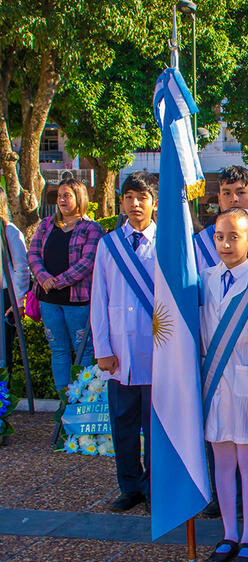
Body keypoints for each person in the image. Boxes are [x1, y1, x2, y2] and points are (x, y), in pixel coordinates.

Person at [194, 165, 248, 519]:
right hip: (215, 387)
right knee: (222, 464)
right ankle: (230, 533)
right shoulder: (204, 280)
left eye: (234, 237)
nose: (226, 244)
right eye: (219, 237)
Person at [90, 171, 159, 513]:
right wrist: (102, 348)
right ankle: (130, 485)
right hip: (119, 353)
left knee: (155, 427)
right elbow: (98, 300)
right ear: (121, 202)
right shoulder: (108, 245)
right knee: (124, 424)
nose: (135, 204)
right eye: (129, 197)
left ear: (154, 203)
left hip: (155, 353)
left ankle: (154, 487)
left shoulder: (167, 244)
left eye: (142, 198)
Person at [27, 175, 104, 391]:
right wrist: (43, 279)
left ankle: (81, 398)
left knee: (84, 350)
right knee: (58, 349)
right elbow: (33, 254)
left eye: (67, 196)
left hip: (77, 301)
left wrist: (58, 281)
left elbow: (87, 262)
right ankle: (63, 400)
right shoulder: (46, 226)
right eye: (59, 196)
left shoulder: (92, 228)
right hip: (49, 299)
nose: (61, 200)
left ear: (79, 198)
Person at [194, 165, 248, 272]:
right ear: (219, 199)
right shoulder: (202, 242)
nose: (234, 199)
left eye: (240, 193)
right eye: (227, 193)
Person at [0, 188, 29, 371]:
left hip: (4, 298)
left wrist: (18, 301)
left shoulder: (9, 231)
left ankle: (4, 394)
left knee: (3, 352)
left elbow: (21, 268)